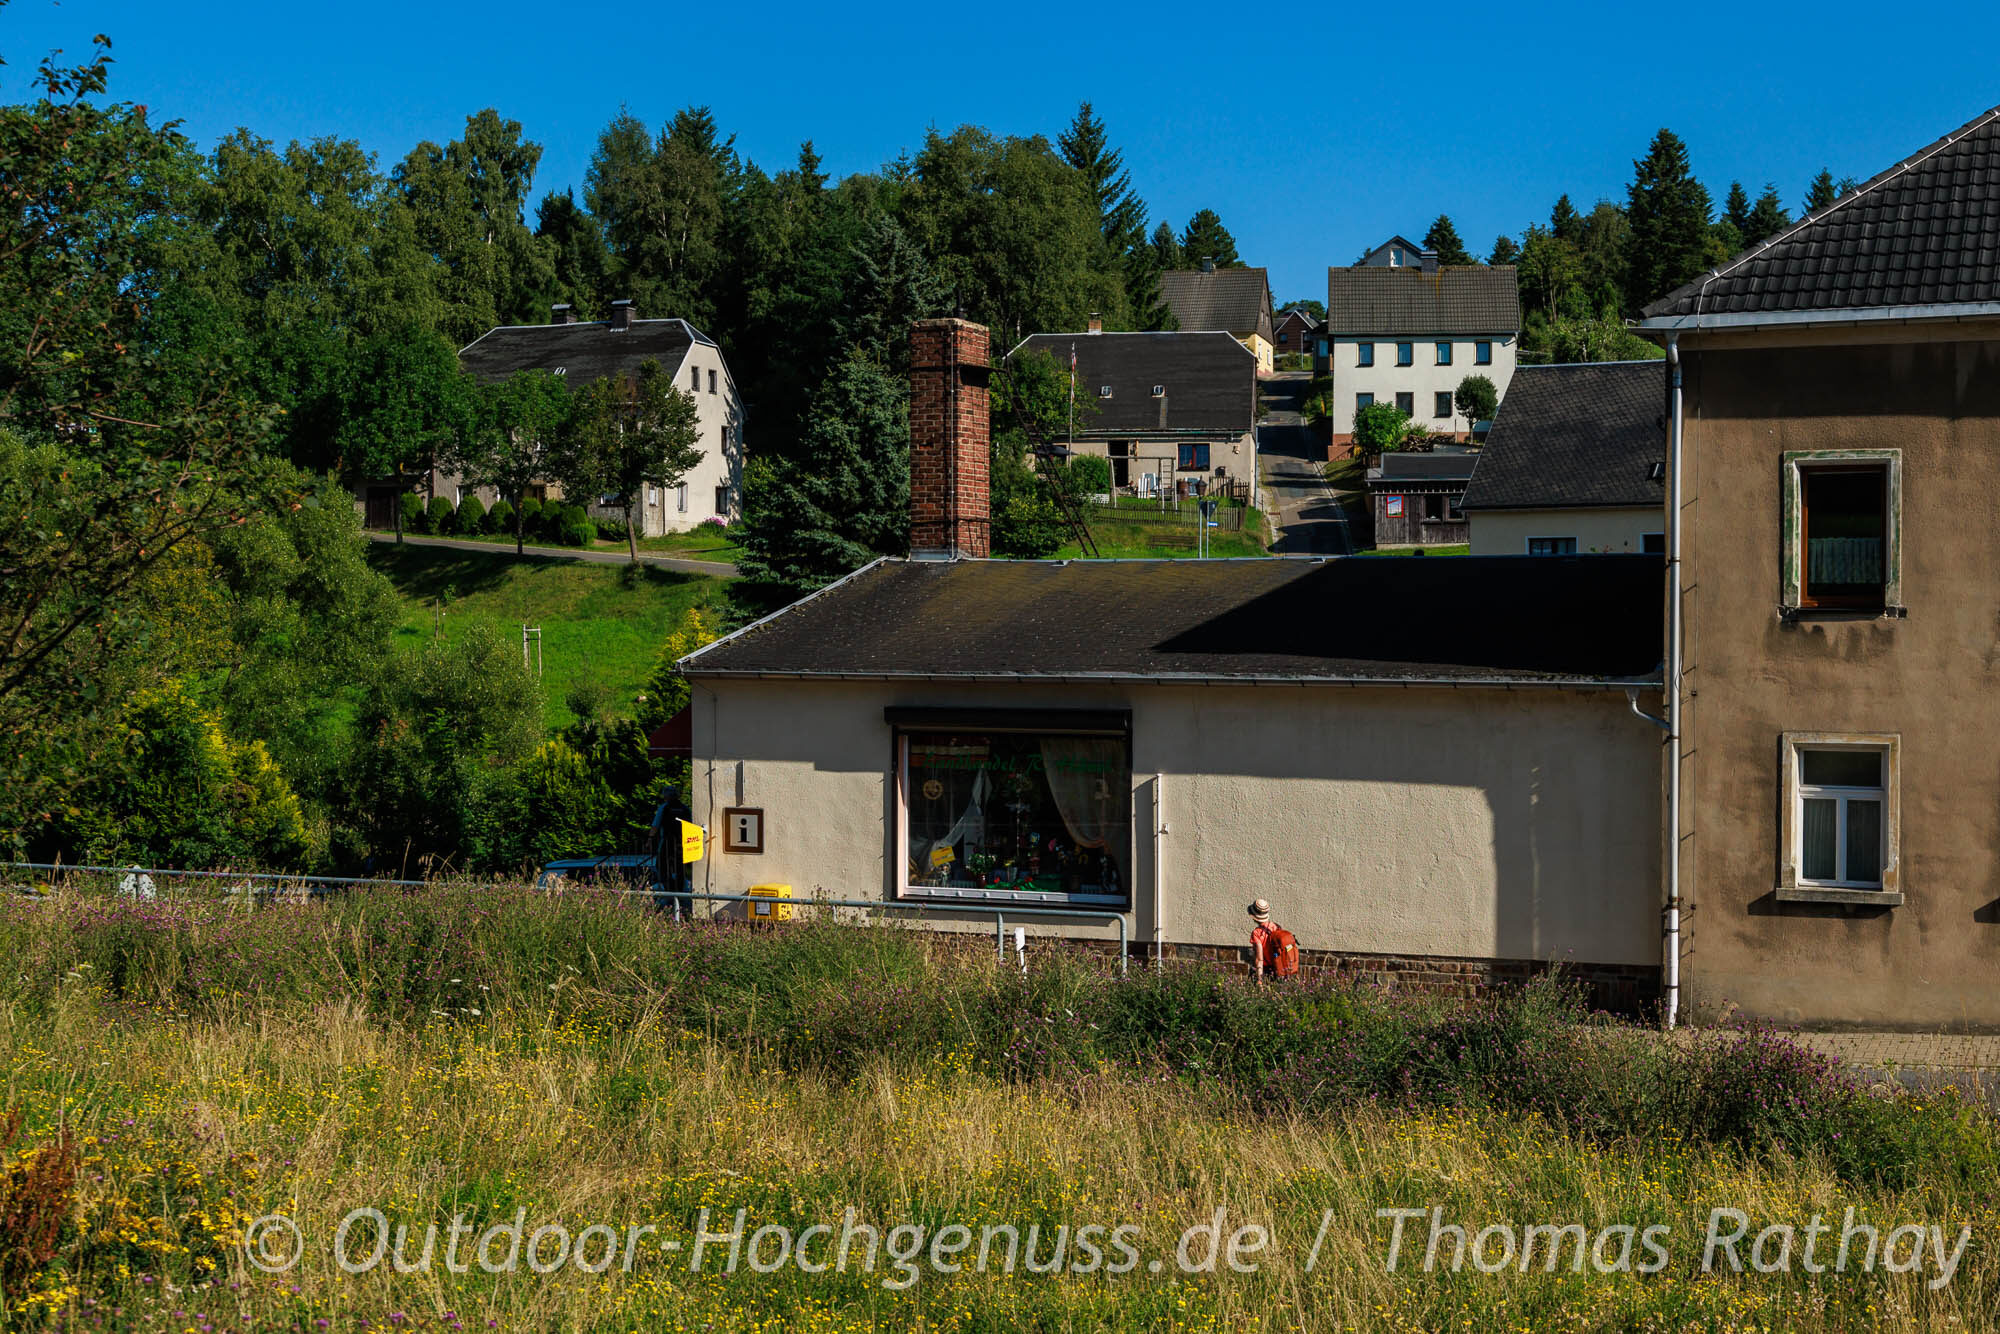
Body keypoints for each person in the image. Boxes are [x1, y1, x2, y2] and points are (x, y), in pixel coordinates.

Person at [1248, 899, 1299, 983]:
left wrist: (1259, 980)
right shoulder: (1276, 927)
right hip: (1279, 967)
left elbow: (1259, 959)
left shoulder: (1257, 933)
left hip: (1266, 970)